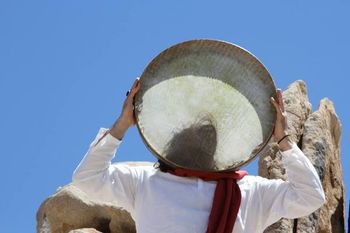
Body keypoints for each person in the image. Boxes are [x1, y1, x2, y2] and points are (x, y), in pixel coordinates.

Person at [72, 78, 326, 233]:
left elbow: (311, 197)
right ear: (170, 144)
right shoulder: (145, 181)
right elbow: (87, 179)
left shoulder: (250, 190)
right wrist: (121, 125)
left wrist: (283, 140)